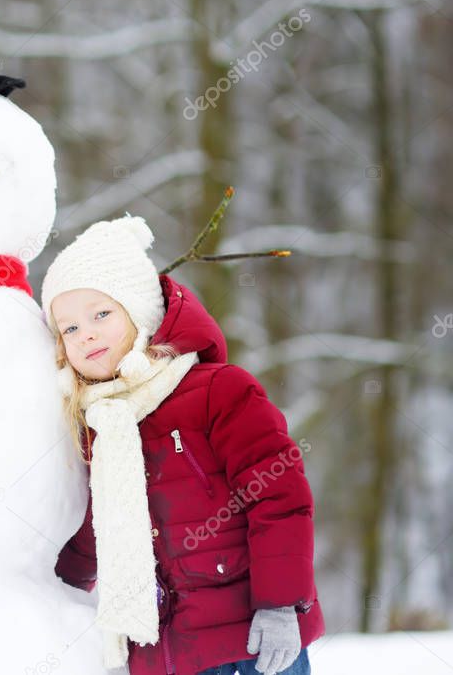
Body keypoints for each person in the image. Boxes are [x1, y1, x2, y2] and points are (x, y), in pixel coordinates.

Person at [41, 216, 324, 675]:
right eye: (69, 328)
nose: (86, 334)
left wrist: (280, 604)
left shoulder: (220, 391)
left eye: (101, 314)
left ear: (141, 312)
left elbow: (279, 498)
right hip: (163, 656)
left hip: (250, 646)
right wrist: (50, 582)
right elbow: (101, 527)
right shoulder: (101, 424)